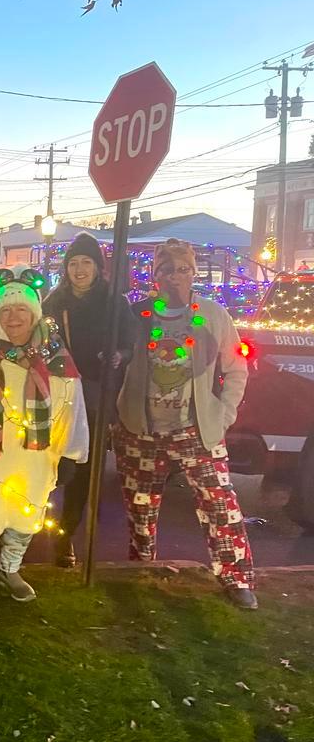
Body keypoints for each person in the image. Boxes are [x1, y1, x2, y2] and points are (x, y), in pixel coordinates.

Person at [113, 239, 257, 610]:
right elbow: (114, 359)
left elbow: (235, 366)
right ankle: (141, 570)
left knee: (220, 505)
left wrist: (224, 414)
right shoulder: (138, 314)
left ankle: (236, 578)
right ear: (154, 275)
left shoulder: (211, 315)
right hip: (140, 430)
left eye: (182, 269)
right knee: (140, 509)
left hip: (196, 430)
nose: (174, 277)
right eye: (166, 270)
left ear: (193, 273)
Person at [0, 266, 88, 603]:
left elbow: (72, 406)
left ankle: (10, 569)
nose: (13, 317)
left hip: (37, 454)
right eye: (5, 310)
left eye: (21, 309)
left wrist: (71, 453)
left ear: (35, 313)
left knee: (27, 513)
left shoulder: (56, 358)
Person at [42, 232, 135, 567]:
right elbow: (39, 342)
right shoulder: (54, 303)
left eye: (86, 263)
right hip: (58, 393)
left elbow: (129, 343)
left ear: (98, 267)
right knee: (46, 462)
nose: (79, 269)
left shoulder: (115, 303)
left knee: (83, 468)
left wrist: (118, 356)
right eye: (73, 263)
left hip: (95, 397)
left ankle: (66, 533)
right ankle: (28, 525)